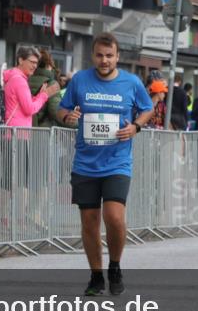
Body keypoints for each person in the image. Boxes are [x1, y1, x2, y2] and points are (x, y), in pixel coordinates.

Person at [56, 33, 154, 296]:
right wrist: (68, 116)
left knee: (114, 217)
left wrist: (136, 126)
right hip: (85, 163)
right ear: (93, 56)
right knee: (89, 222)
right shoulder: (80, 80)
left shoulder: (131, 82)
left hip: (117, 162)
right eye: (99, 55)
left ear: (117, 56)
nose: (104, 60)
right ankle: (96, 276)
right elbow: (62, 109)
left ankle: (115, 265)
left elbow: (147, 109)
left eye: (109, 56)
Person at [4, 46, 58, 128]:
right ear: (21, 60)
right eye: (32, 62)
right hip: (18, 133)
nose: (35, 66)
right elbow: (29, 109)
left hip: (14, 131)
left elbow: (24, 105)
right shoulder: (19, 81)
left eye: (36, 63)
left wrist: (40, 95)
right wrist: (44, 95)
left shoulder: (15, 78)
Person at [27, 50, 61, 127]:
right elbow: (55, 111)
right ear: (48, 65)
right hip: (43, 133)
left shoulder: (25, 80)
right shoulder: (51, 84)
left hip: (23, 128)